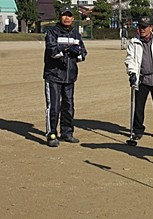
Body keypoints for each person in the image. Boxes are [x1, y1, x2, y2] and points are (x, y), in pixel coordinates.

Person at [43, 6, 87, 147]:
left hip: (70, 76)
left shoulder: (76, 34)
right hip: (54, 75)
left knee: (68, 106)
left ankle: (67, 133)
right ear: (60, 17)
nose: (67, 18)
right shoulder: (52, 32)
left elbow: (83, 53)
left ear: (73, 18)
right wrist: (66, 49)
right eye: (64, 15)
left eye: (69, 16)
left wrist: (78, 54)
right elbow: (53, 51)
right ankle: (51, 134)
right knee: (54, 106)